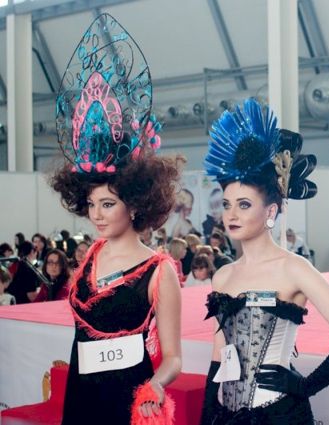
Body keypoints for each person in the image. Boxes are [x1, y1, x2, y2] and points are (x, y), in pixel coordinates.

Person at [200, 98, 329, 424]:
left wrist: (304, 386)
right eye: (227, 204)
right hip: (226, 415)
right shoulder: (223, 276)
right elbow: (219, 356)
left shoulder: (293, 268)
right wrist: (206, 417)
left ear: (271, 211)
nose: (232, 214)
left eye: (244, 205)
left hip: (280, 415)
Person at [49, 13, 182, 425]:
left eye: (107, 204)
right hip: (82, 398)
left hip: (129, 401)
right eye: (91, 204)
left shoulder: (159, 271)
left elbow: (174, 357)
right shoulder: (90, 258)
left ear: (135, 204)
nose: (96, 214)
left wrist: (155, 385)